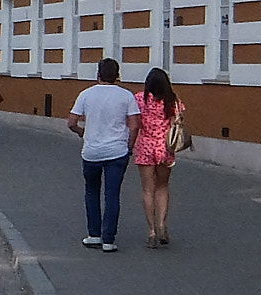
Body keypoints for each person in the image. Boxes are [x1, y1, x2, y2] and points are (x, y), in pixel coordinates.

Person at [68, 58, 141, 253]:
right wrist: (129, 146)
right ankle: (109, 240)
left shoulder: (86, 94)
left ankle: (94, 234)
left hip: (92, 151)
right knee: (112, 194)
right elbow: (134, 125)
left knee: (91, 191)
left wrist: (83, 133)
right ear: (118, 75)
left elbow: (71, 122)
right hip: (117, 151)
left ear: (98, 74)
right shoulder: (126, 96)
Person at [134, 67, 186, 248]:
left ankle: (151, 232)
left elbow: (135, 121)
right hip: (165, 148)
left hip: (145, 147)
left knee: (148, 189)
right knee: (162, 187)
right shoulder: (173, 101)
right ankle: (163, 224)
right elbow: (178, 122)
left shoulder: (140, 99)